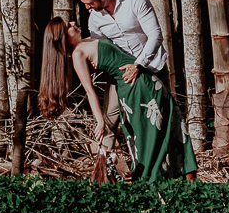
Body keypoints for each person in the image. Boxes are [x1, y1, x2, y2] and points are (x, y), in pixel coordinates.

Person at [38, 16, 197, 183]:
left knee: (169, 121)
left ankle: (183, 175)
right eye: (68, 25)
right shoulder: (78, 54)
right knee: (148, 132)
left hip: (144, 80)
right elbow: (90, 92)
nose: (73, 23)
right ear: (63, 36)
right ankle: (154, 181)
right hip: (133, 88)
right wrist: (100, 122)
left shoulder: (86, 41)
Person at [75, 0, 168, 169]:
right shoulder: (95, 17)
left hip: (151, 67)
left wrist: (138, 65)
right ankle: (103, 168)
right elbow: (100, 47)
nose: (88, 8)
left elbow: (155, 35)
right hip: (120, 75)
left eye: (90, 3)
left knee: (160, 118)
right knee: (109, 119)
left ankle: (164, 168)